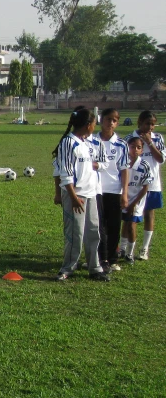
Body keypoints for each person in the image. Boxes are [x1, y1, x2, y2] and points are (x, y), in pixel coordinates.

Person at [53, 108, 109, 281]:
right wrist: (74, 197)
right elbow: (66, 173)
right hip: (75, 196)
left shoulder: (85, 142)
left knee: (93, 232)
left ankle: (95, 268)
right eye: (94, 123)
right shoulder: (68, 143)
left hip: (90, 195)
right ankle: (67, 268)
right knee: (75, 234)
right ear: (88, 125)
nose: (95, 127)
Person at [123, 111, 164, 260]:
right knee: (128, 216)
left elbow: (160, 159)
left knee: (148, 214)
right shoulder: (129, 138)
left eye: (153, 124)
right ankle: (124, 248)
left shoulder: (158, 138)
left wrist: (149, 143)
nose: (150, 127)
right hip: (132, 185)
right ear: (139, 123)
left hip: (151, 184)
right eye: (147, 123)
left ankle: (144, 249)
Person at [93, 109, 129, 272]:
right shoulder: (91, 141)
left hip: (114, 190)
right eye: (108, 119)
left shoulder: (121, 144)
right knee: (97, 226)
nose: (111, 123)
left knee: (114, 226)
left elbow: (124, 169)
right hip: (95, 189)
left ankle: (112, 259)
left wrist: (125, 193)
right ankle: (97, 258)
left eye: (114, 120)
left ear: (117, 123)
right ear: (101, 120)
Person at [120, 137, 152, 262]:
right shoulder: (123, 162)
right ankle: (122, 249)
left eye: (138, 147)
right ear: (128, 147)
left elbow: (145, 188)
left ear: (142, 150)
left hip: (136, 202)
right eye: (132, 147)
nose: (135, 150)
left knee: (131, 225)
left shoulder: (144, 165)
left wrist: (133, 204)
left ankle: (130, 253)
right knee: (124, 223)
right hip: (123, 198)